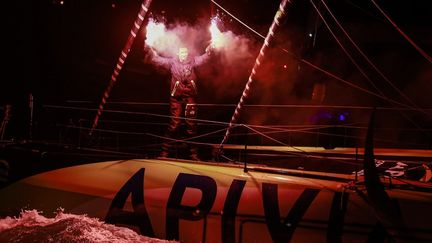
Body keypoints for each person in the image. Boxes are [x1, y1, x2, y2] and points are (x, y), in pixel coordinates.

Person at [145, 44, 213, 160]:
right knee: (174, 125)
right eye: (182, 53)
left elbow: (204, 58)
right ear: (178, 54)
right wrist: (151, 50)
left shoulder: (193, 61)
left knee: (191, 126)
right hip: (176, 98)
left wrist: (210, 50)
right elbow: (158, 60)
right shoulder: (172, 62)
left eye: (185, 53)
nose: (184, 55)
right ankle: (164, 153)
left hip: (190, 97)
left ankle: (194, 155)